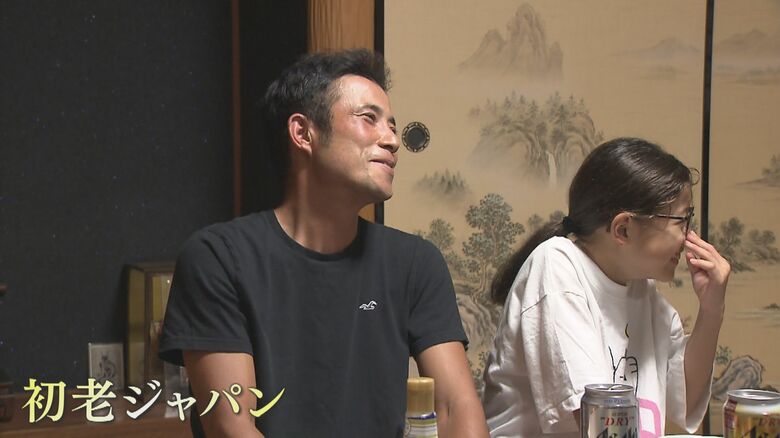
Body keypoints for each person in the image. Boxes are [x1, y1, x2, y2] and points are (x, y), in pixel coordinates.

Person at [159, 49, 488, 437]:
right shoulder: (219, 258)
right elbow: (232, 426)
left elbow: (454, 408)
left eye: (392, 126)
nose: (392, 140)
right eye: (369, 119)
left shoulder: (415, 263)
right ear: (303, 133)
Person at [481, 137, 730, 437]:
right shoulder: (557, 264)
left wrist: (712, 309)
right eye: (681, 221)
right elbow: (598, 420)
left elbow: (685, 396)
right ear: (623, 229)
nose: (690, 237)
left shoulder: (642, 290)